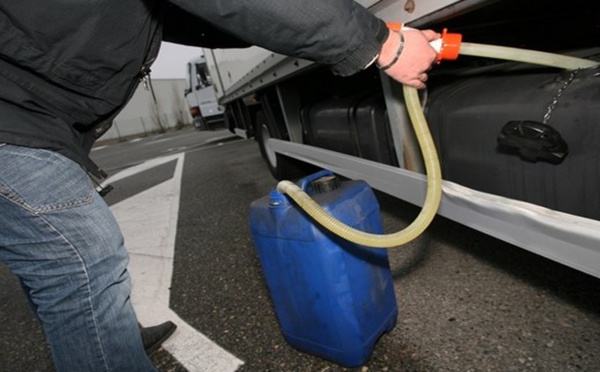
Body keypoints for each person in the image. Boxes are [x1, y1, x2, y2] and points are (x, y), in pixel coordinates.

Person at [0, 0, 439, 370]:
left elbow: (222, 16)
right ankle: (107, 345)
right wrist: (379, 42)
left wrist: (340, 31)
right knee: (80, 256)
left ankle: (113, 337)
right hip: (15, 115)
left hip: (33, 111)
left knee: (53, 258)